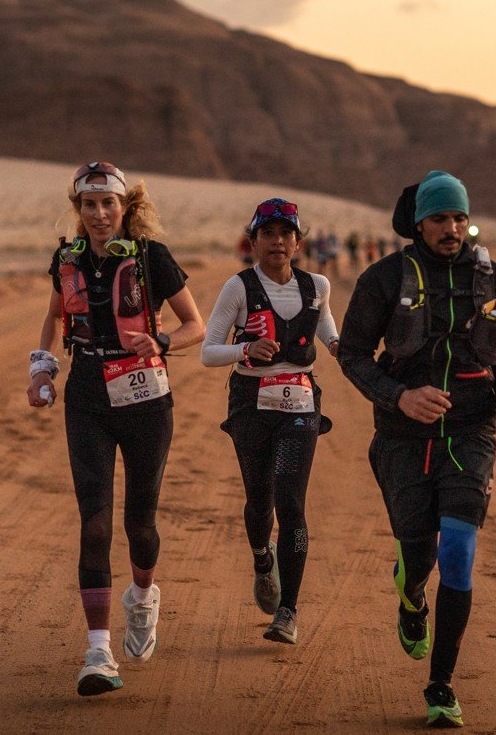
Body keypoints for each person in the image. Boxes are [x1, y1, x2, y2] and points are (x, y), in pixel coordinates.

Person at [337, 171, 496, 728]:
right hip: (403, 439)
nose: (453, 229)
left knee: (460, 551)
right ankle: (411, 591)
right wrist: (400, 396)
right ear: (418, 222)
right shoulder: (383, 278)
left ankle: (440, 686)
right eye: (441, 218)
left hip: (471, 433)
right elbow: (351, 355)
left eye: (460, 218)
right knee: (419, 555)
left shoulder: (495, 279)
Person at [27, 161, 205, 696]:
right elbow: (56, 316)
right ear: (78, 210)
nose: (100, 215)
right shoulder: (67, 258)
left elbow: (195, 323)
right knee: (95, 523)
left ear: (126, 207)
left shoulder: (153, 259)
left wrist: (164, 342)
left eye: (109, 204)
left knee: (140, 521)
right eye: (89, 205)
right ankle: (98, 651)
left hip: (147, 398)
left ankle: (144, 596)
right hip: (87, 395)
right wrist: (42, 368)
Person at [201, 198, 339, 645]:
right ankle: (263, 557)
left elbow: (329, 332)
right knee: (260, 502)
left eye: (286, 234)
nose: (277, 242)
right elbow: (207, 352)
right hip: (250, 403)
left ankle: (288, 612)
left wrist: (343, 348)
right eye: (267, 234)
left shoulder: (316, 285)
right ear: (253, 240)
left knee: (291, 504)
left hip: (300, 405)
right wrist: (244, 350)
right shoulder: (238, 288)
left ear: (298, 242)